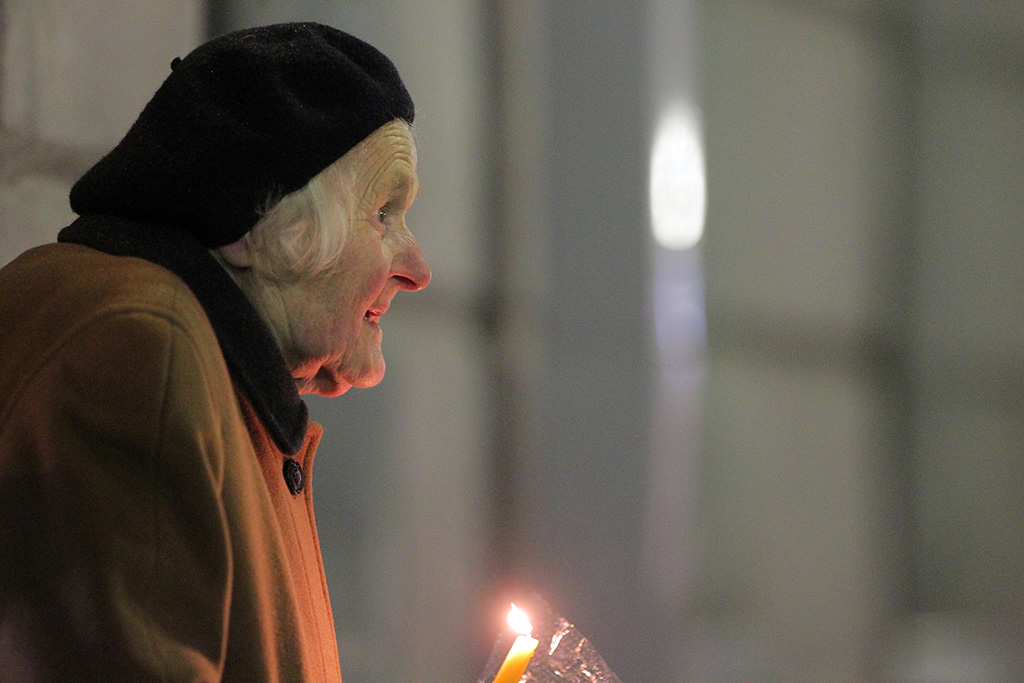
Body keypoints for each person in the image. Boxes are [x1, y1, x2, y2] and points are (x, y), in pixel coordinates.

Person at [0, 22, 430, 681]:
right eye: (383, 214)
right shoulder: (141, 351)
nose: (417, 270)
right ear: (264, 227)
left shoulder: (201, 368)